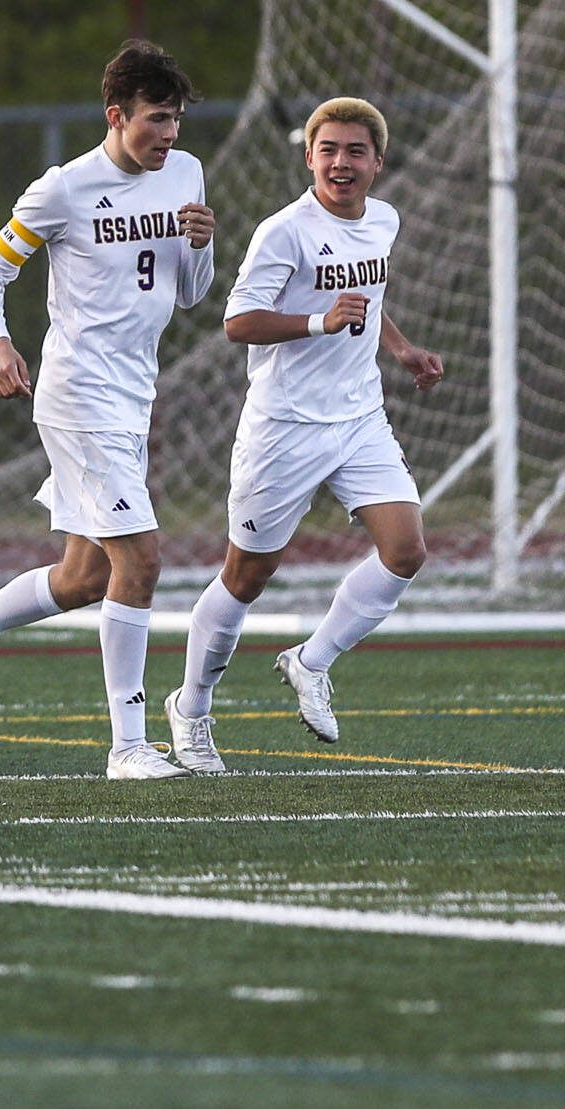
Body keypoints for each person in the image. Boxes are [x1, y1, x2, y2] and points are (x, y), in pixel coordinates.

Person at [0, 40, 215, 781]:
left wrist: (201, 246)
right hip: (78, 394)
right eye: (156, 119)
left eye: (175, 120)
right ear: (116, 115)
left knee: (84, 578)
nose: (169, 134)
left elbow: (193, 292)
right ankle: (129, 746)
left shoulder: (188, 173)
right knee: (139, 559)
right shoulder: (64, 189)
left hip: (134, 394)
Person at [166, 97, 442, 771]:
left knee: (405, 550)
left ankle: (310, 661)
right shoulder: (285, 231)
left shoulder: (384, 219)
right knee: (248, 573)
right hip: (284, 426)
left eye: (354, 151)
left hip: (359, 418)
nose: (340, 163)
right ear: (309, 156)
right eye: (329, 150)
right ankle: (191, 708)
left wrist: (400, 348)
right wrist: (320, 321)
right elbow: (238, 322)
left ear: (377, 161)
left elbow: (366, 298)